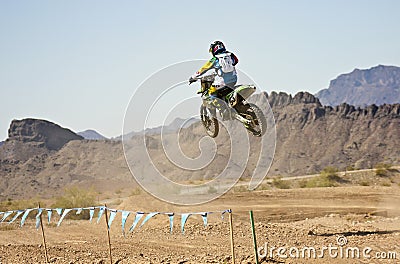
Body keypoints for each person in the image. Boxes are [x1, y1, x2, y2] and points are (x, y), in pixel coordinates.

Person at [189, 41, 239, 119]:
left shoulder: (215, 59)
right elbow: (236, 61)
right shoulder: (230, 55)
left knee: (211, 93)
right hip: (234, 79)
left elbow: (204, 68)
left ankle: (223, 109)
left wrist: (193, 77)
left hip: (223, 83)